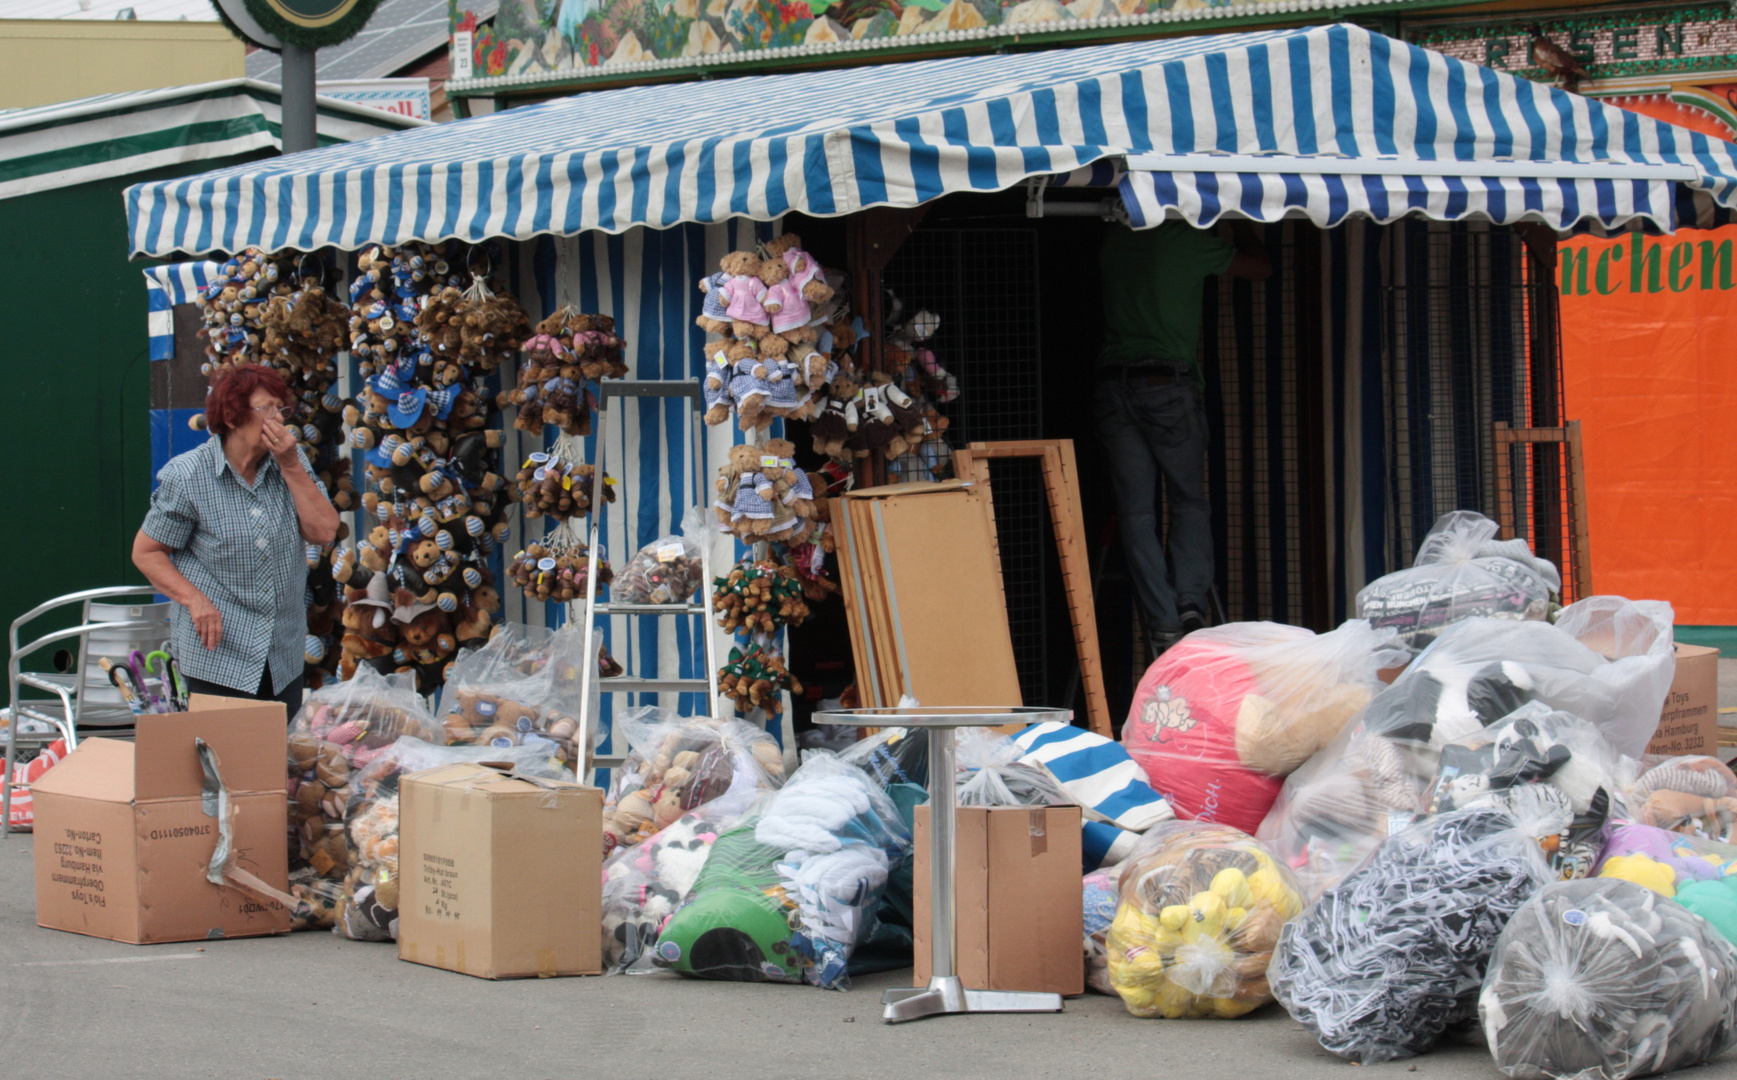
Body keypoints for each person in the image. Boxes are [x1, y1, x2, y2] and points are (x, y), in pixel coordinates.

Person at [1095, 219, 1271, 657]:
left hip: (1113, 387)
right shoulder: (1184, 240)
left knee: (1137, 513)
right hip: (1167, 387)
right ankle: (1190, 602)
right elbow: (1262, 270)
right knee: (1188, 499)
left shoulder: (1114, 239)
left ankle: (1162, 623)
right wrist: (1241, 221)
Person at [132, 365, 339, 711]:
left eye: (280, 409)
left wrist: (290, 466)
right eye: (266, 409)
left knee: (274, 762)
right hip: (219, 655)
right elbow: (147, 552)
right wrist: (195, 600)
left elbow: (324, 531)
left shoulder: (290, 460)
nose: (278, 419)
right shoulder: (189, 477)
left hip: (281, 655)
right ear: (231, 418)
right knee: (224, 761)